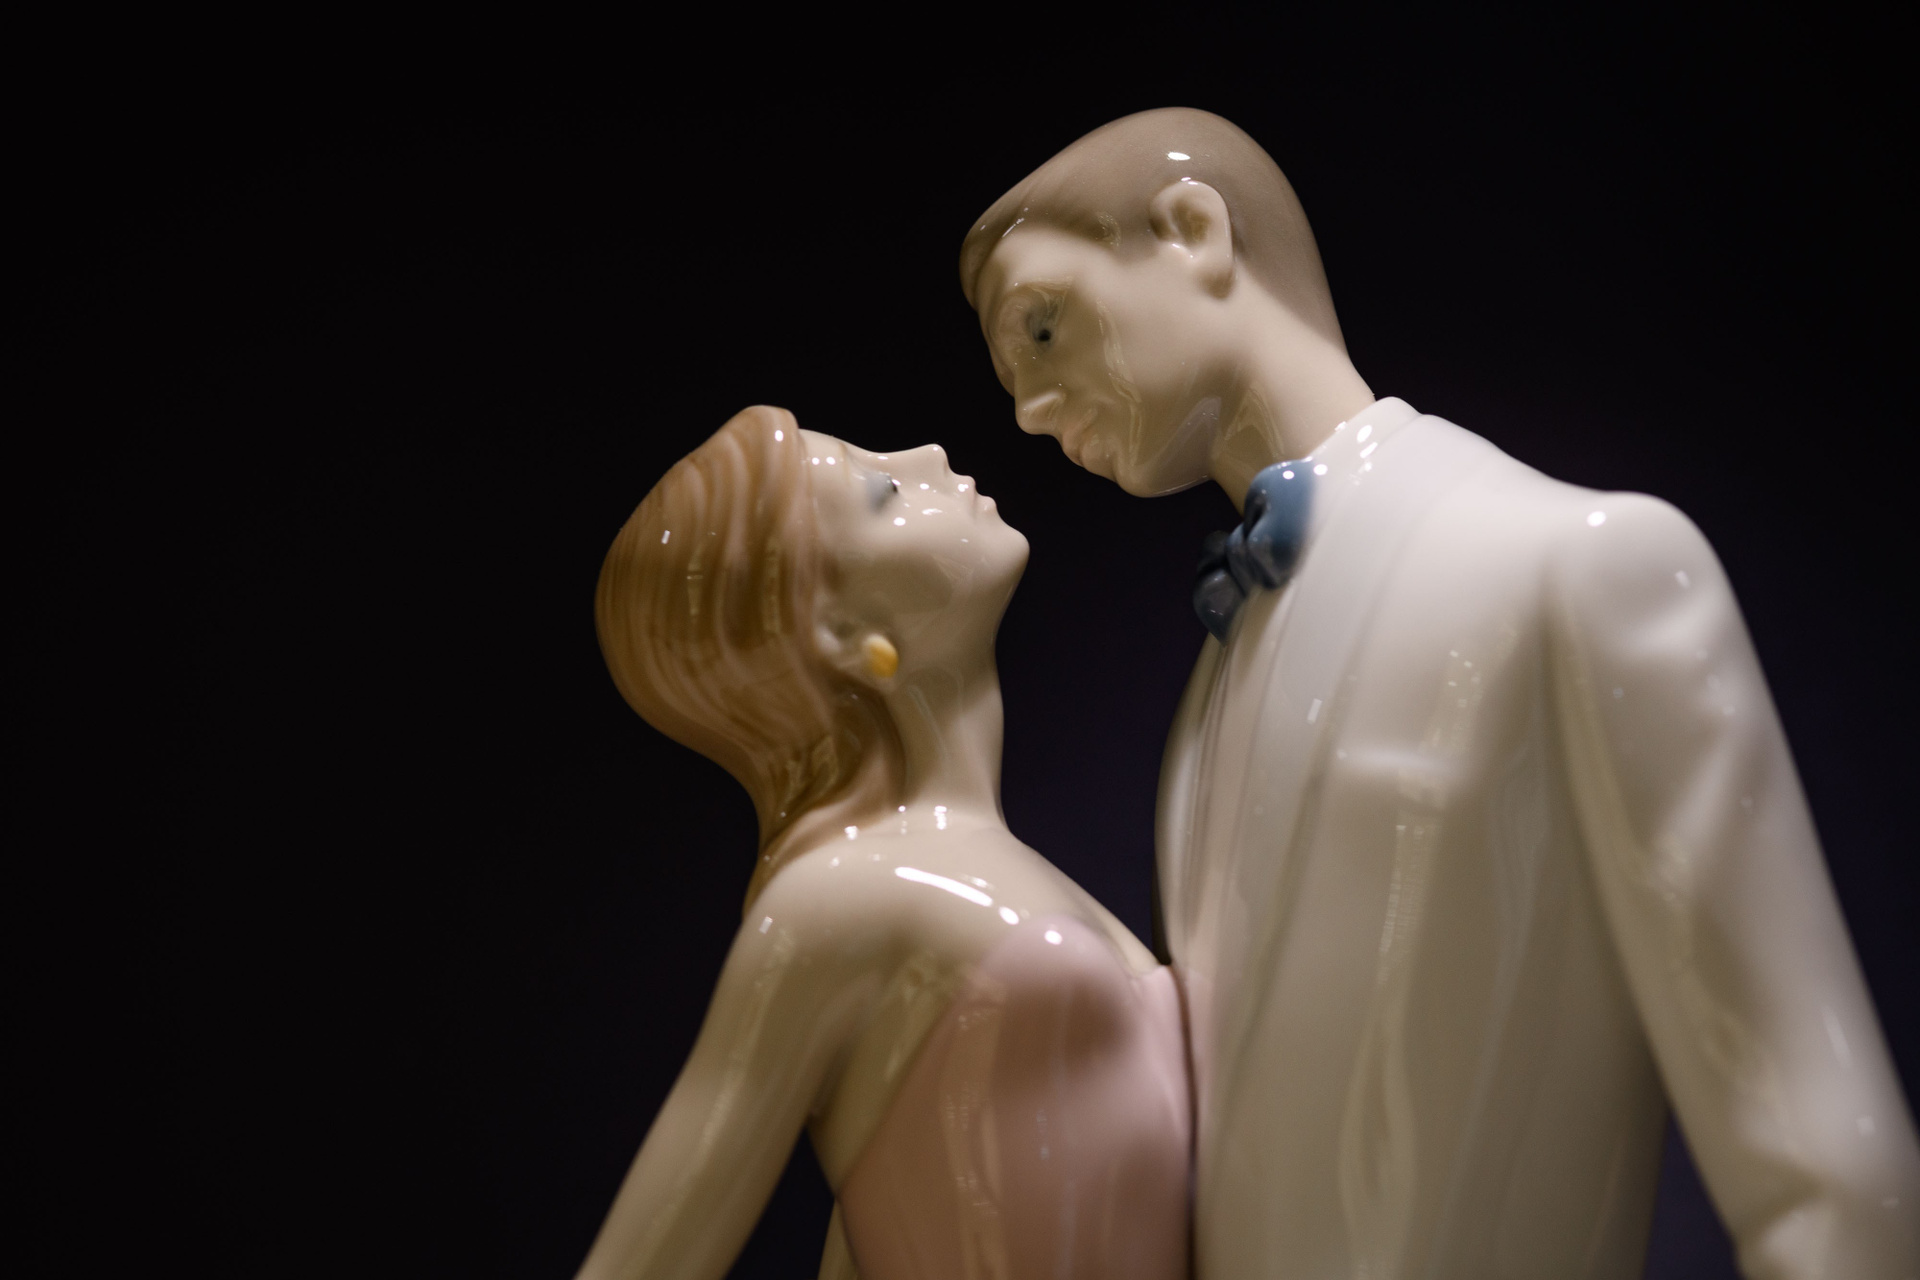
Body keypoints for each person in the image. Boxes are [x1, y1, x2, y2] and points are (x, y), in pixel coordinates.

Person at [960, 108, 1919, 1278]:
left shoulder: (1577, 572)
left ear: (1193, 232)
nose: (1030, 408)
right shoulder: (1205, 697)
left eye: (1043, 327)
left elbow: (1824, 1167)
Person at [576, 406, 1191, 1280]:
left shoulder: (981, 867)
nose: (929, 453)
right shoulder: (834, 899)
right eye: (882, 492)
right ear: (837, 635)